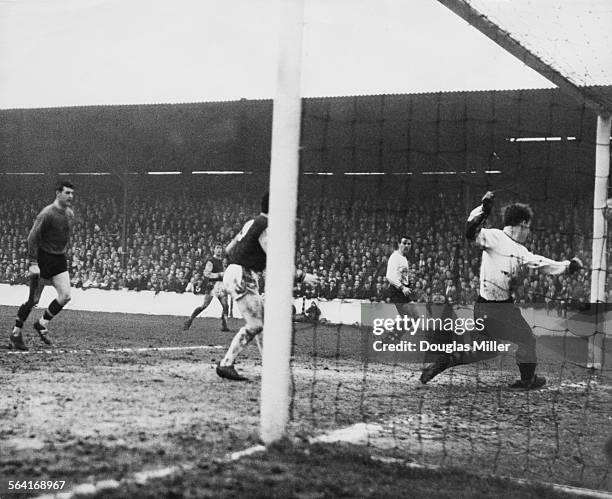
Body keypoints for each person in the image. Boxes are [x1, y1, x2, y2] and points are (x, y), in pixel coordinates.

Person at [420, 192, 583, 389]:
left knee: (487, 349)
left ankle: (443, 362)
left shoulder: (521, 251)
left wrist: (566, 266)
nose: (528, 232)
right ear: (522, 224)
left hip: (484, 308)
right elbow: (470, 232)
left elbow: (542, 263)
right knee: (527, 340)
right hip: (498, 310)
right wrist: (484, 210)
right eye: (528, 227)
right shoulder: (496, 236)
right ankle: (527, 380)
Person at [216, 193, 317, 381]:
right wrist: (302, 276)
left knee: (262, 324)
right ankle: (226, 364)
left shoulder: (252, 222)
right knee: (256, 324)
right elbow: (276, 257)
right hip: (242, 274)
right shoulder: (267, 226)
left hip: (238, 271)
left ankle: (268, 366)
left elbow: (229, 249)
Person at [8, 181, 76, 350]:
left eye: (72, 193)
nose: (70, 196)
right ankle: (16, 333)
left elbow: (64, 235)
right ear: (58, 193)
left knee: (66, 295)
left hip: (59, 259)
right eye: (67, 193)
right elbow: (32, 237)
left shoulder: (70, 214)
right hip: (44, 259)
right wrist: (32, 262)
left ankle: (42, 323)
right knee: (34, 300)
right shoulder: (47, 213)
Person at [183, 243, 230, 332]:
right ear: (214, 249)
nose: (219, 250)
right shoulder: (211, 261)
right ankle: (189, 320)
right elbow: (207, 274)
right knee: (204, 305)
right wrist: (219, 274)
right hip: (212, 285)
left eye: (220, 248)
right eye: (217, 248)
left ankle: (224, 325)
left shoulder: (222, 261)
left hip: (220, 285)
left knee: (225, 306)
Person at [385, 237, 413, 303]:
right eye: (404, 243)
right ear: (399, 244)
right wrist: (402, 287)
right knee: (412, 311)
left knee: (414, 311)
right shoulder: (395, 257)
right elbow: (389, 276)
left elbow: (403, 276)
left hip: (403, 291)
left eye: (409, 244)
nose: (406, 246)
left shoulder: (404, 258)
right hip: (396, 291)